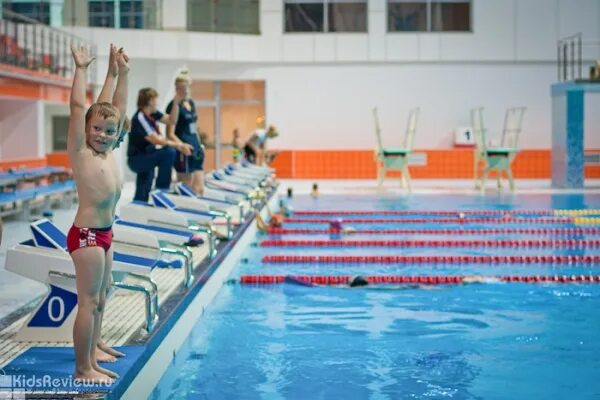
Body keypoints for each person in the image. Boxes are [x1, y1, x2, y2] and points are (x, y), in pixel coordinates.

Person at [66, 44, 129, 384]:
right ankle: (82, 368)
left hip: (105, 233)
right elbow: (81, 108)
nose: (103, 135)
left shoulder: (109, 146)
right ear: (86, 129)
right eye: (97, 129)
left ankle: (93, 353)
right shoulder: (81, 151)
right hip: (87, 235)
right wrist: (81, 70)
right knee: (88, 302)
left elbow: (111, 108)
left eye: (110, 131)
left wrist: (117, 73)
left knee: (101, 298)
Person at [127, 88, 193, 202]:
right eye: (156, 99)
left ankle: (139, 203)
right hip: (137, 159)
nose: (157, 102)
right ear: (151, 100)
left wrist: (176, 102)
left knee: (144, 185)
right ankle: (162, 188)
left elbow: (171, 121)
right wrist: (179, 145)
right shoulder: (140, 117)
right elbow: (155, 140)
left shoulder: (152, 114)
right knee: (169, 152)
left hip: (146, 156)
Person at [166, 70, 205, 195]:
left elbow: (193, 127)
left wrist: (199, 144)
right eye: (182, 87)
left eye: (187, 86)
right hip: (184, 151)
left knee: (199, 189)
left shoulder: (191, 103)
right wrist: (182, 145)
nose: (185, 90)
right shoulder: (173, 106)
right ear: (176, 88)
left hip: (196, 148)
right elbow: (169, 134)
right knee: (186, 189)